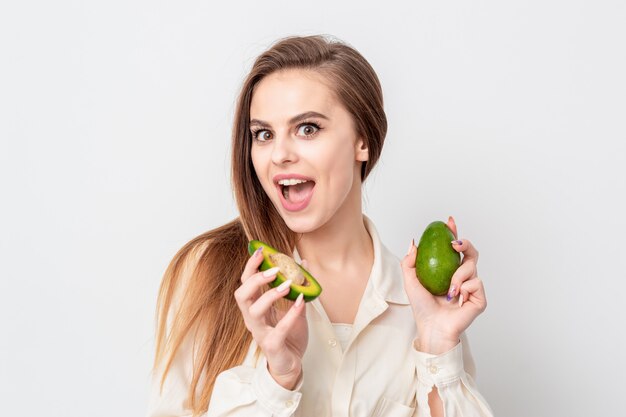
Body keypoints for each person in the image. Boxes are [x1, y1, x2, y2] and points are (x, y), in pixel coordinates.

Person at [147, 35, 494, 417]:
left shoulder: (420, 308)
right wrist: (279, 376)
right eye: (263, 134)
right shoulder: (207, 271)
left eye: (307, 128)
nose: (279, 154)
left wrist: (439, 344)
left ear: (362, 140)